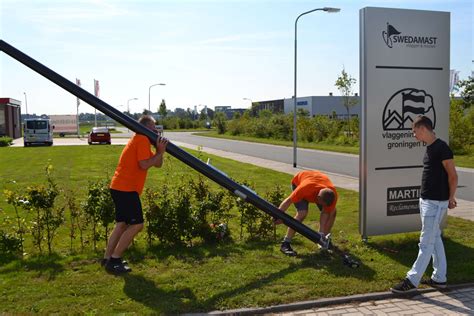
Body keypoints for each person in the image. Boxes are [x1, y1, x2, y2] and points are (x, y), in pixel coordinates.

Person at [391, 115, 458, 293]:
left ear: (422, 129)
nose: (414, 136)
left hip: (436, 203)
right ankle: (439, 279)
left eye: (414, 132)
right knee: (434, 239)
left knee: (425, 242)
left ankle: (411, 281)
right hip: (427, 200)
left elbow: (453, 175)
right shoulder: (429, 147)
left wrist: (451, 197)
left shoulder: (442, 148)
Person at [102, 115, 168, 275]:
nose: (156, 132)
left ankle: (107, 258)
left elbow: (157, 164)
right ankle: (116, 260)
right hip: (126, 189)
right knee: (137, 224)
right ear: (145, 128)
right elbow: (144, 164)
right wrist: (158, 152)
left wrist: (160, 151)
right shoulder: (142, 139)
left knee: (122, 224)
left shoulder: (141, 139)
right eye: (153, 128)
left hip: (119, 187)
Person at [275, 170, 338, 256]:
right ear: (318, 198)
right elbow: (288, 201)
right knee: (302, 213)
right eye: (322, 204)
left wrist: (321, 233)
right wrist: (278, 215)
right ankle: (286, 243)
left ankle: (324, 240)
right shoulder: (304, 189)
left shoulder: (332, 194)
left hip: (317, 180)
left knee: (332, 212)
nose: (324, 207)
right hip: (299, 181)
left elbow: (325, 212)